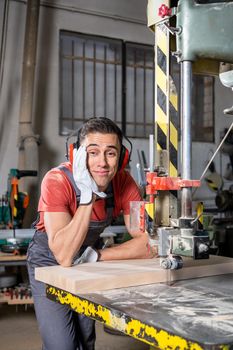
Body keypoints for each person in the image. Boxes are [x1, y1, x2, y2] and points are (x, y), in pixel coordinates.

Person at [27, 117, 154, 350]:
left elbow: (148, 244)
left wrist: (97, 256)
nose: (102, 163)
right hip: (48, 260)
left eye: (111, 153)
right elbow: (64, 256)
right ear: (76, 156)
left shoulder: (124, 183)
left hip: (85, 260)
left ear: (122, 158)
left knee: (85, 340)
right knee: (61, 345)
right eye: (93, 152)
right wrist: (87, 197)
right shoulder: (56, 181)